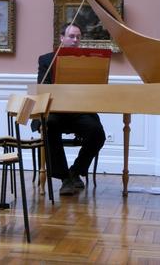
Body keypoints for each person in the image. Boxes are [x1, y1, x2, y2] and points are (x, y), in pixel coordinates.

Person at [34, 23, 106, 195]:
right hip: (56, 111)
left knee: (97, 132)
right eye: (71, 36)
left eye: (78, 37)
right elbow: (43, 87)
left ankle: (76, 170)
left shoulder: (88, 61)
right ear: (61, 38)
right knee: (48, 125)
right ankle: (64, 178)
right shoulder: (46, 60)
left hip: (79, 111)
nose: (75, 40)